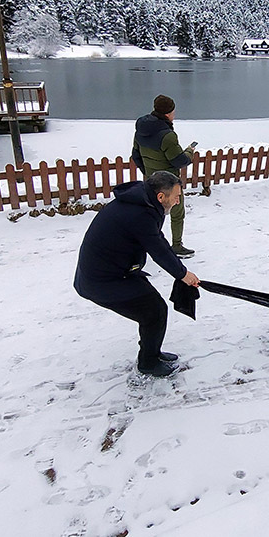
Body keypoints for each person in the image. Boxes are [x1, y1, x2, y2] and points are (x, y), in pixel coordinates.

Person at [73, 171, 201, 377]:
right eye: (176, 197)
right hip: (102, 281)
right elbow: (157, 250)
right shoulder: (140, 214)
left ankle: (153, 352)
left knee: (154, 310)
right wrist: (183, 274)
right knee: (154, 311)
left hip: (114, 272)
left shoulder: (142, 203)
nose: (178, 202)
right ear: (161, 197)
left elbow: (158, 240)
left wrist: (182, 271)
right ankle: (148, 363)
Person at [132, 95, 197, 257]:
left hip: (150, 181)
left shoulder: (140, 129)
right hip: (169, 183)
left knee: (150, 214)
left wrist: (147, 173)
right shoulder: (168, 135)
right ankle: (176, 246)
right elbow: (179, 161)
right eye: (173, 111)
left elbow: (136, 155)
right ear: (168, 113)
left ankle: (146, 245)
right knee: (177, 213)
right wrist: (190, 152)